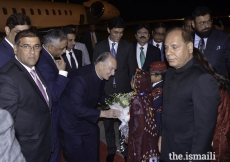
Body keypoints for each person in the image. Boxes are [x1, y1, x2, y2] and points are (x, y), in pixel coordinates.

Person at [159, 27, 220, 161]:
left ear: (190, 47)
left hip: (187, 152)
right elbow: (167, 110)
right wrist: (161, 136)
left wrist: (196, 157)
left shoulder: (203, 79)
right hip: (168, 147)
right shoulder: (170, 72)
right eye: (166, 47)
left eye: (174, 47)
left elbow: (205, 130)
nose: (168, 53)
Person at [0, 29, 53, 162]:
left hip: (42, 143)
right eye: (26, 46)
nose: (32, 51)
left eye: (36, 46)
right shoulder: (8, 77)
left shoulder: (32, 68)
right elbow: (5, 124)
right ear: (15, 49)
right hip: (26, 151)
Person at [59, 52, 121, 162]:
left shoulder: (100, 75)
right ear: (101, 65)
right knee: (77, 150)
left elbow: (99, 95)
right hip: (70, 119)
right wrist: (104, 113)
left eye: (115, 70)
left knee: (93, 133)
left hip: (84, 115)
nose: (113, 73)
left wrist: (116, 102)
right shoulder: (81, 78)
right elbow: (77, 108)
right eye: (111, 69)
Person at [93, 17, 137, 162]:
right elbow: (96, 70)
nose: (118, 35)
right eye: (115, 32)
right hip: (106, 91)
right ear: (108, 30)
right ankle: (111, 149)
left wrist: (133, 81)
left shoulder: (128, 46)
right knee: (108, 123)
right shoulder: (99, 46)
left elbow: (132, 67)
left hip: (124, 90)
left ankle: (124, 149)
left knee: (123, 123)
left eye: (121, 33)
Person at [36, 29, 70, 162]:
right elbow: (54, 94)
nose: (64, 51)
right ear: (50, 47)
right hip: (50, 116)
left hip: (53, 113)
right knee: (54, 149)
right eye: (62, 48)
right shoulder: (44, 63)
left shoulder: (47, 56)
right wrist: (62, 72)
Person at [127, 68, 159, 162]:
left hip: (141, 138)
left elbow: (140, 124)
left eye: (134, 80)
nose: (132, 82)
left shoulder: (137, 100)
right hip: (149, 134)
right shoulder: (148, 96)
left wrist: (133, 136)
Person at [191, 6, 230, 78]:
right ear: (193, 24)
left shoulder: (223, 38)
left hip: (218, 86)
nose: (207, 26)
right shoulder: (186, 40)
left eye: (209, 21)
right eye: (202, 23)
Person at [149, 61, 167, 135]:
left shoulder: (160, 90)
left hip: (157, 120)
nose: (148, 75)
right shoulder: (152, 84)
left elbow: (152, 105)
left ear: (159, 76)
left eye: (151, 74)